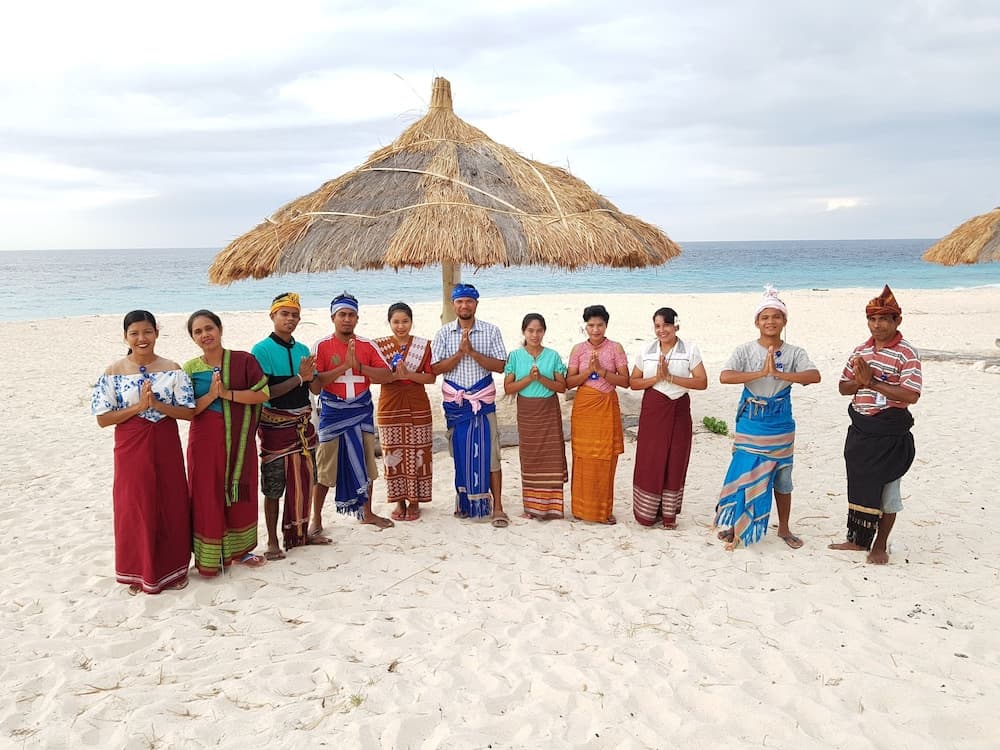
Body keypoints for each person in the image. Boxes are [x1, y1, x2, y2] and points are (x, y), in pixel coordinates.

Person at [92, 310, 195, 595]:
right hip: (130, 445)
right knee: (134, 505)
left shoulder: (172, 369)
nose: (142, 338)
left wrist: (159, 407)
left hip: (165, 441)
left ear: (156, 333)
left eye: (147, 332)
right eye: (134, 333)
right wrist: (138, 407)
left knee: (170, 501)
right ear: (125, 337)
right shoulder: (113, 372)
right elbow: (102, 419)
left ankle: (173, 571)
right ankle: (137, 573)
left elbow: (188, 412)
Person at [714, 286, 821, 549]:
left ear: (784, 321)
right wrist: (761, 373)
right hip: (750, 421)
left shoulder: (795, 352)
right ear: (757, 322)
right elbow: (725, 376)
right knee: (745, 472)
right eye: (765, 317)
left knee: (782, 477)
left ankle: (784, 527)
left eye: (776, 317)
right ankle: (737, 525)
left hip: (780, 423)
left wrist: (781, 375)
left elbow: (813, 376)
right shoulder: (744, 350)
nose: (770, 322)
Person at [830, 285, 921, 565]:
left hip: (889, 433)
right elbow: (843, 387)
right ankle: (857, 539)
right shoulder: (861, 351)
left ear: (897, 321)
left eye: (883, 319)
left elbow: (911, 395)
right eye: (872, 319)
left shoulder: (906, 353)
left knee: (888, 491)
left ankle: (880, 544)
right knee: (859, 484)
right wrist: (860, 382)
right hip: (861, 430)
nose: (877, 325)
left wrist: (872, 382)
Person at [184, 309, 270, 575]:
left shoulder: (243, 361)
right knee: (206, 494)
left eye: (209, 328)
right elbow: (188, 411)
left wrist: (227, 393)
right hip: (204, 442)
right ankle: (209, 558)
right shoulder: (190, 368)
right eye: (198, 331)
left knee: (239, 491)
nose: (205, 335)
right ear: (193, 338)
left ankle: (241, 551)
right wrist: (212, 395)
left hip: (239, 441)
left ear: (220, 329)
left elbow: (262, 394)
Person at [251, 292, 329, 561]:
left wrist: (315, 374)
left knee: (306, 481)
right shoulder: (261, 350)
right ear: (272, 316)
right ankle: (273, 540)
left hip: (303, 425)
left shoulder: (303, 349)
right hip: (275, 428)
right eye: (285, 314)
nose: (290, 319)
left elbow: (315, 388)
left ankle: (301, 533)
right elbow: (265, 393)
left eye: (295, 315)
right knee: (274, 487)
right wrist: (299, 377)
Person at [310, 292, 395, 530]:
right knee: (325, 469)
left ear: (357, 318)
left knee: (367, 464)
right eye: (342, 315)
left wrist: (359, 366)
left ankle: (366, 512)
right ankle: (317, 519)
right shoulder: (322, 346)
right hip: (333, 413)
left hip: (361, 411)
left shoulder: (367, 345)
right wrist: (344, 366)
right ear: (333, 318)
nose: (347, 319)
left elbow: (387, 375)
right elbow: (315, 386)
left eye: (351, 315)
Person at [431, 284, 509, 527]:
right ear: (453, 304)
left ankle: (497, 507)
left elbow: (500, 366)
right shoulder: (444, 333)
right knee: (460, 452)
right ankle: (465, 503)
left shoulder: (491, 330)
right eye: (460, 301)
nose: (464, 305)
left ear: (476, 303)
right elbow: (435, 368)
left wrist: (472, 352)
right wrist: (459, 354)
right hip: (457, 405)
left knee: (491, 454)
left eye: (469, 301)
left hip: (483, 402)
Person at [629, 307, 708, 528]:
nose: (661, 330)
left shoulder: (689, 350)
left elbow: (702, 382)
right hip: (654, 409)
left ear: (676, 326)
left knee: (676, 457)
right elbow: (633, 382)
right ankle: (647, 514)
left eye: (666, 325)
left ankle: (668, 515)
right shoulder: (646, 350)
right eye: (657, 326)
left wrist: (671, 378)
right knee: (650, 458)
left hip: (678, 408)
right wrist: (656, 378)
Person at [565, 304, 630, 524]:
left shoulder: (615, 348)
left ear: (606, 325)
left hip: (606, 407)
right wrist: (588, 371)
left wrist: (602, 371)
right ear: (585, 326)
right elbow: (569, 382)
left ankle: (603, 511)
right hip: (584, 409)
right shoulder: (578, 350)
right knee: (583, 458)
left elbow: (625, 381)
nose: (595, 329)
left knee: (605, 459)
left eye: (599, 325)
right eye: (591, 325)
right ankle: (580, 509)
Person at [373, 302, 436, 522]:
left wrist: (408, 374)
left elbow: (431, 377)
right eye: (396, 322)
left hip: (417, 402)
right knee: (392, 451)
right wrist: (392, 376)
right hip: (390, 403)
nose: (401, 326)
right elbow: (372, 377)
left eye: (405, 321)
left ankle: (415, 501)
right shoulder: (379, 346)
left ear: (411, 321)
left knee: (420, 450)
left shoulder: (424, 346)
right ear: (389, 322)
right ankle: (399, 500)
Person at [503, 313, 568, 520]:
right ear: (524, 332)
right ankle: (531, 508)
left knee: (551, 457)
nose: (535, 335)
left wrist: (540, 378)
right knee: (530, 457)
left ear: (544, 332)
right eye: (530, 330)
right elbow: (508, 387)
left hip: (548, 410)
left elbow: (562, 387)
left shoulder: (552, 356)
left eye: (539, 330)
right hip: (527, 411)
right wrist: (529, 379)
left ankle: (552, 509)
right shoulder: (515, 356)